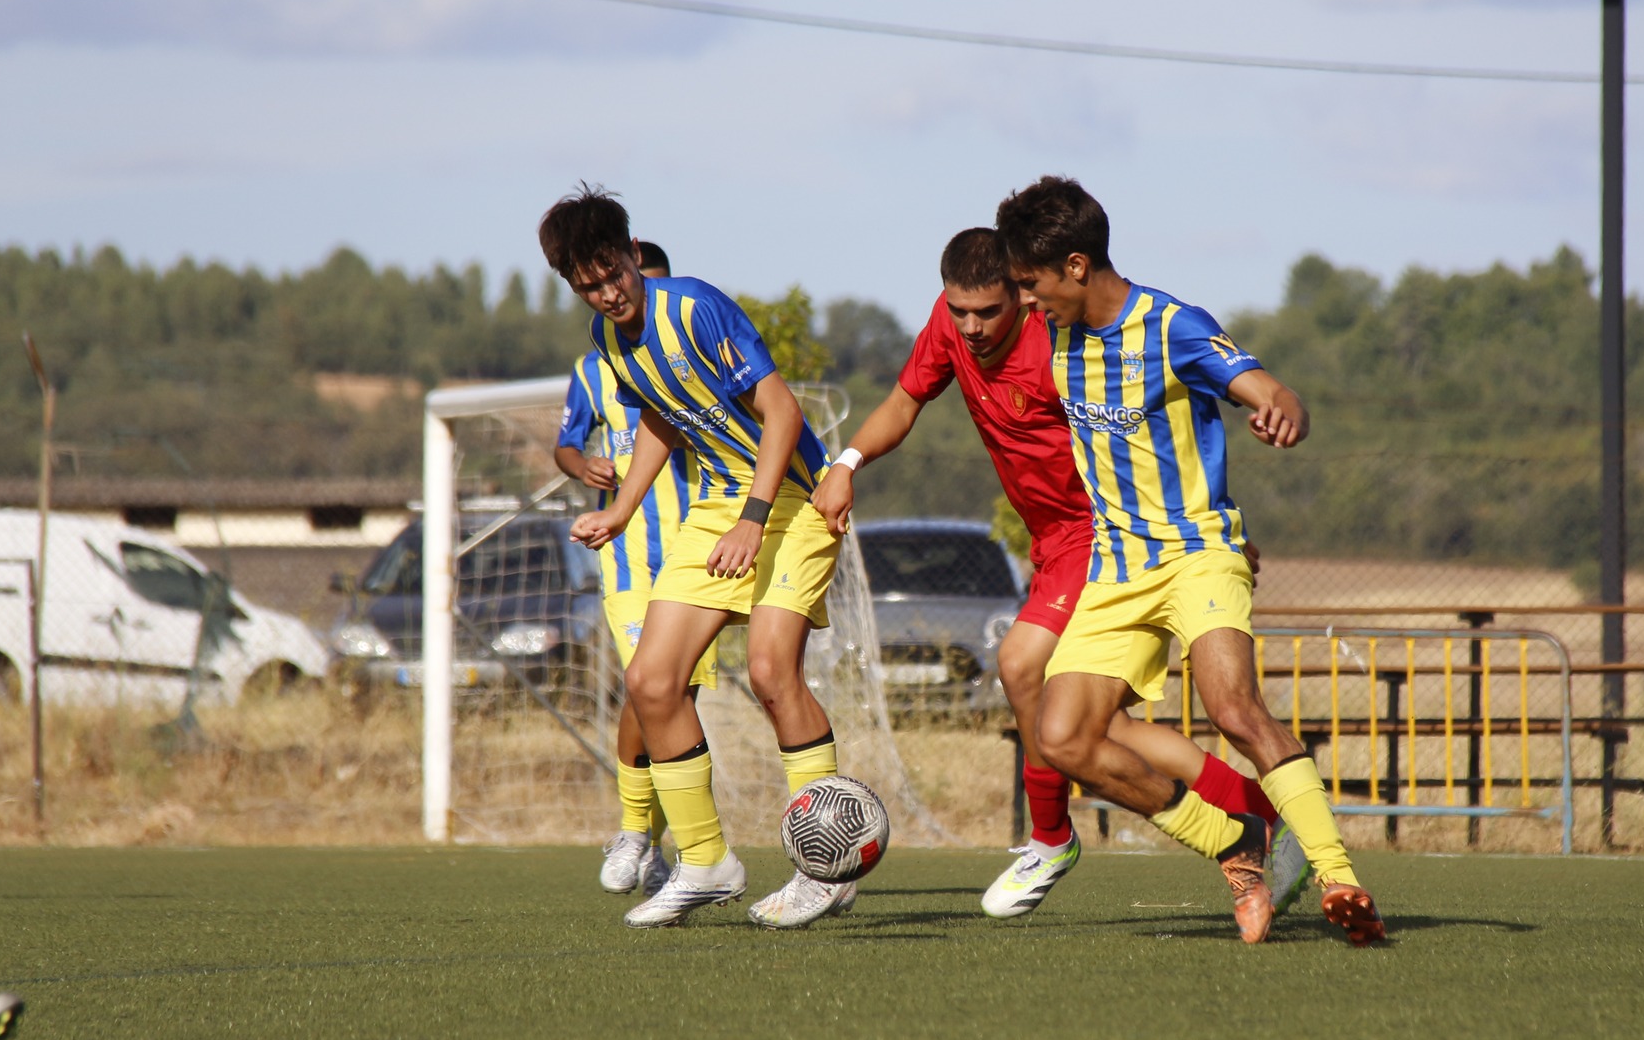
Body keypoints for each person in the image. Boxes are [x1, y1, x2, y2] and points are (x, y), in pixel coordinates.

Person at [812, 227, 1310, 919]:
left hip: (1101, 535)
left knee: (1020, 665)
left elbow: (1155, 429)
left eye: (988, 310)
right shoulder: (951, 323)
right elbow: (903, 402)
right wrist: (846, 465)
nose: (972, 326)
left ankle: (1051, 836)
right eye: (959, 311)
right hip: (1048, 541)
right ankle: (1258, 816)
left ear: (1021, 291)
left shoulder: (1058, 341)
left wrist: (1224, 527)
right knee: (1101, 734)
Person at [994, 176, 1385, 946]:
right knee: (1063, 738)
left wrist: (1282, 407)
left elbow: (1266, 385)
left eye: (1032, 284)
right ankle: (1235, 843)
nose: (1026, 303)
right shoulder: (1054, 335)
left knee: (1234, 708)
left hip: (1199, 554)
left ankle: (1340, 878)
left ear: (1076, 266)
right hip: (1116, 569)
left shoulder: (1172, 324)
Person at [543, 186, 855, 930]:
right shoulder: (608, 339)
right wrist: (620, 510)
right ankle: (707, 860)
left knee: (772, 671)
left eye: (613, 271)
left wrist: (754, 517)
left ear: (630, 252)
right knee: (652, 682)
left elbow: (783, 411)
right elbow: (659, 412)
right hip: (717, 507)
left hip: (793, 500)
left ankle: (828, 867)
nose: (608, 291)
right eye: (589, 283)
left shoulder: (694, 306)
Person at [554, 240, 721, 900]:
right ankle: (637, 831)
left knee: (675, 696)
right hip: (627, 561)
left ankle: (676, 843)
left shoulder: (689, 359)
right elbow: (567, 442)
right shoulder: (595, 368)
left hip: (697, 551)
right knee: (644, 685)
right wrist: (581, 464)